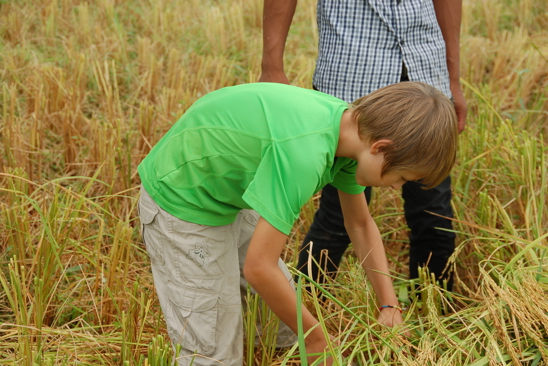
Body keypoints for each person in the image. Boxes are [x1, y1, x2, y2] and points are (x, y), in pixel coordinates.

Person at [137, 81, 458, 366]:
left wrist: (389, 304)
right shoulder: (305, 154)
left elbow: (359, 224)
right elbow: (259, 268)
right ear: (381, 148)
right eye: (401, 177)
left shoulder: (351, 135)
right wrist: (316, 338)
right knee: (213, 352)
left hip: (229, 193)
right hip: (183, 202)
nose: (398, 187)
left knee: (282, 331)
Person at [259, 0, 468, 290]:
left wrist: (452, 79)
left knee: (434, 210)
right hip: (352, 78)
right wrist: (271, 65)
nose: (396, 187)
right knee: (337, 215)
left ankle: (434, 311)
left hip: (426, 78)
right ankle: (304, 304)